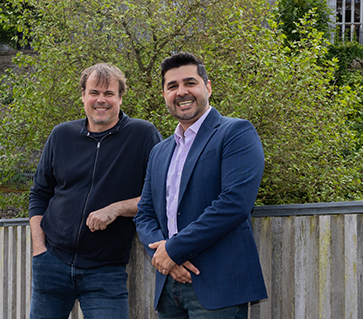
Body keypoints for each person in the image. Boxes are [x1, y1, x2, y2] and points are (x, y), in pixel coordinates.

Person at [134, 52, 267, 318]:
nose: (181, 92)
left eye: (190, 83)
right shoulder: (159, 151)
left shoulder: (236, 133)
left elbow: (234, 204)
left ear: (207, 87)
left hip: (218, 286)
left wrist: (173, 250)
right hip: (168, 286)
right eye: (172, 86)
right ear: (164, 95)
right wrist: (165, 258)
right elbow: (144, 213)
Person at [28, 63, 162, 319]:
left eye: (109, 93)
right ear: (83, 96)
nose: (101, 100)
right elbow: (39, 193)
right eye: (94, 92)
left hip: (106, 270)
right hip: (51, 262)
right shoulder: (60, 135)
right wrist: (39, 248)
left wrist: (117, 209)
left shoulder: (142, 135)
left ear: (121, 97)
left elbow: (160, 195)